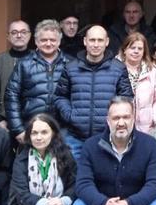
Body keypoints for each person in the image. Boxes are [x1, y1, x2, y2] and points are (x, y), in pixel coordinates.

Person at [53, 25, 130, 159]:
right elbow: (60, 96)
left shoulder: (118, 68)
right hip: (75, 137)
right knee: (73, 177)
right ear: (85, 42)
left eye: (100, 40)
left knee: (104, 178)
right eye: (92, 40)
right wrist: (70, 115)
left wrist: (114, 120)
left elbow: (127, 98)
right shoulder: (71, 67)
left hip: (107, 137)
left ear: (107, 42)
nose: (96, 44)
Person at [6, 19, 69, 144]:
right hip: (30, 128)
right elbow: (11, 96)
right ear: (36, 41)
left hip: (62, 130)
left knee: (62, 163)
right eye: (44, 40)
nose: (48, 43)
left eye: (52, 40)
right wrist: (18, 129)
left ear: (59, 41)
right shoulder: (24, 64)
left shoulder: (70, 64)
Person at [117, 33, 156, 135]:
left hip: (146, 129)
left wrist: (155, 117)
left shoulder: (152, 71)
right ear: (124, 50)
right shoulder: (115, 69)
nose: (136, 51)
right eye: (132, 48)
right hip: (120, 125)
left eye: (140, 49)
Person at [0, 20, 32, 120]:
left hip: (33, 121)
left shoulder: (39, 59)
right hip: (5, 121)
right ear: (8, 36)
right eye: (14, 32)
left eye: (23, 32)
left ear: (29, 35)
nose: (19, 35)